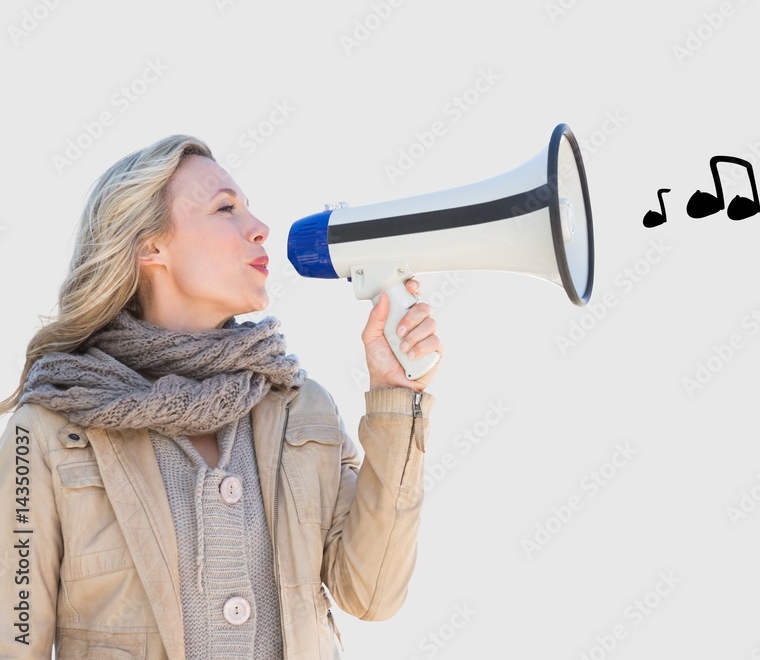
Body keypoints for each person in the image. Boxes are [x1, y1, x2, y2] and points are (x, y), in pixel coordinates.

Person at [0, 134, 442, 659]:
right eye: (225, 208)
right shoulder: (47, 431)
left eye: (248, 209)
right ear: (150, 246)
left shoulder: (302, 408)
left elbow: (372, 594)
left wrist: (395, 395)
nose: (259, 229)